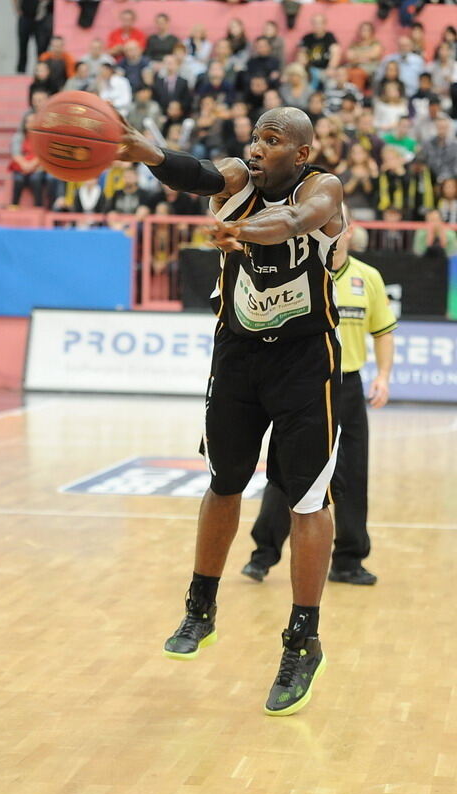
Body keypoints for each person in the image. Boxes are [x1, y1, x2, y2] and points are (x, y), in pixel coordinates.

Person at [120, 105, 345, 716]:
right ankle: (200, 607)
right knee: (223, 482)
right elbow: (200, 175)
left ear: (298, 153)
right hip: (240, 352)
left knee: (306, 497)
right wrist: (151, 155)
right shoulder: (238, 181)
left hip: (305, 358)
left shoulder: (322, 188)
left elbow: (297, 220)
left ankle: (303, 639)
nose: (256, 148)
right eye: (255, 138)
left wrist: (238, 234)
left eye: (272, 142)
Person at [242, 209, 397, 586]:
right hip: (303, 386)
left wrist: (384, 377)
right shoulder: (301, 271)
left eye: (337, 224)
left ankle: (348, 560)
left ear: (349, 230)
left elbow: (384, 331)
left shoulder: (368, 277)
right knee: (284, 471)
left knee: (352, 474)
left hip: (348, 388)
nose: (331, 230)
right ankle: (263, 554)